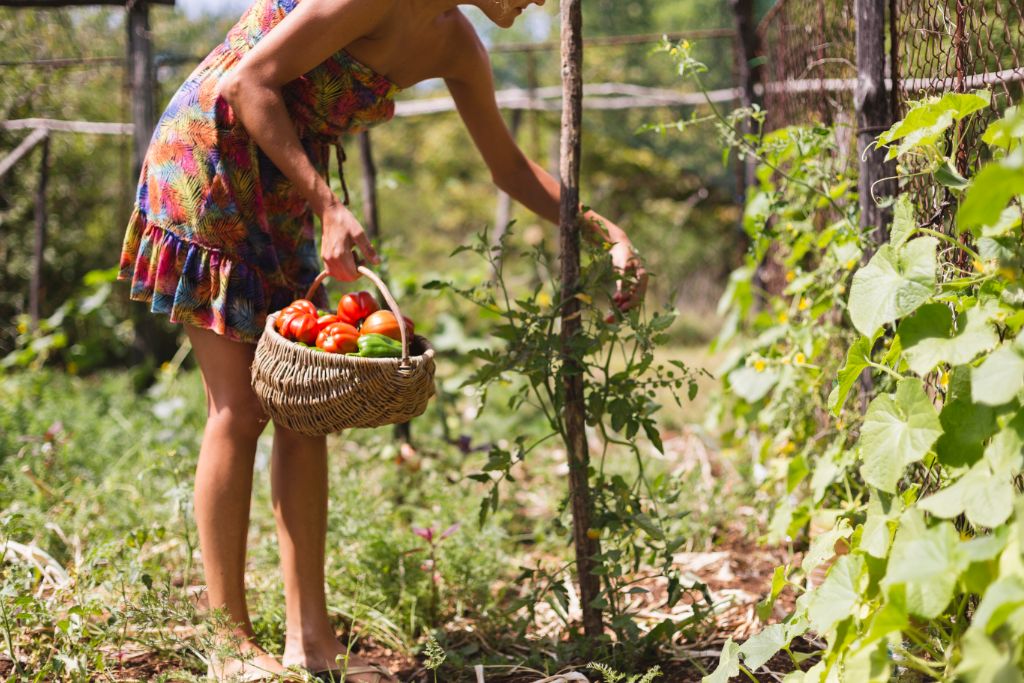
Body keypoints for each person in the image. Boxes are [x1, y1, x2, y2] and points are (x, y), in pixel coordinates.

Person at [117, 0, 647, 680]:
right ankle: (226, 642)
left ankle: (309, 639)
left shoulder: (455, 44)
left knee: (301, 406)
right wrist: (329, 205)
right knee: (240, 407)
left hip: (284, 180)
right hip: (212, 156)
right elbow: (247, 84)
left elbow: (509, 170)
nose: (539, 2)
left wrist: (606, 230)